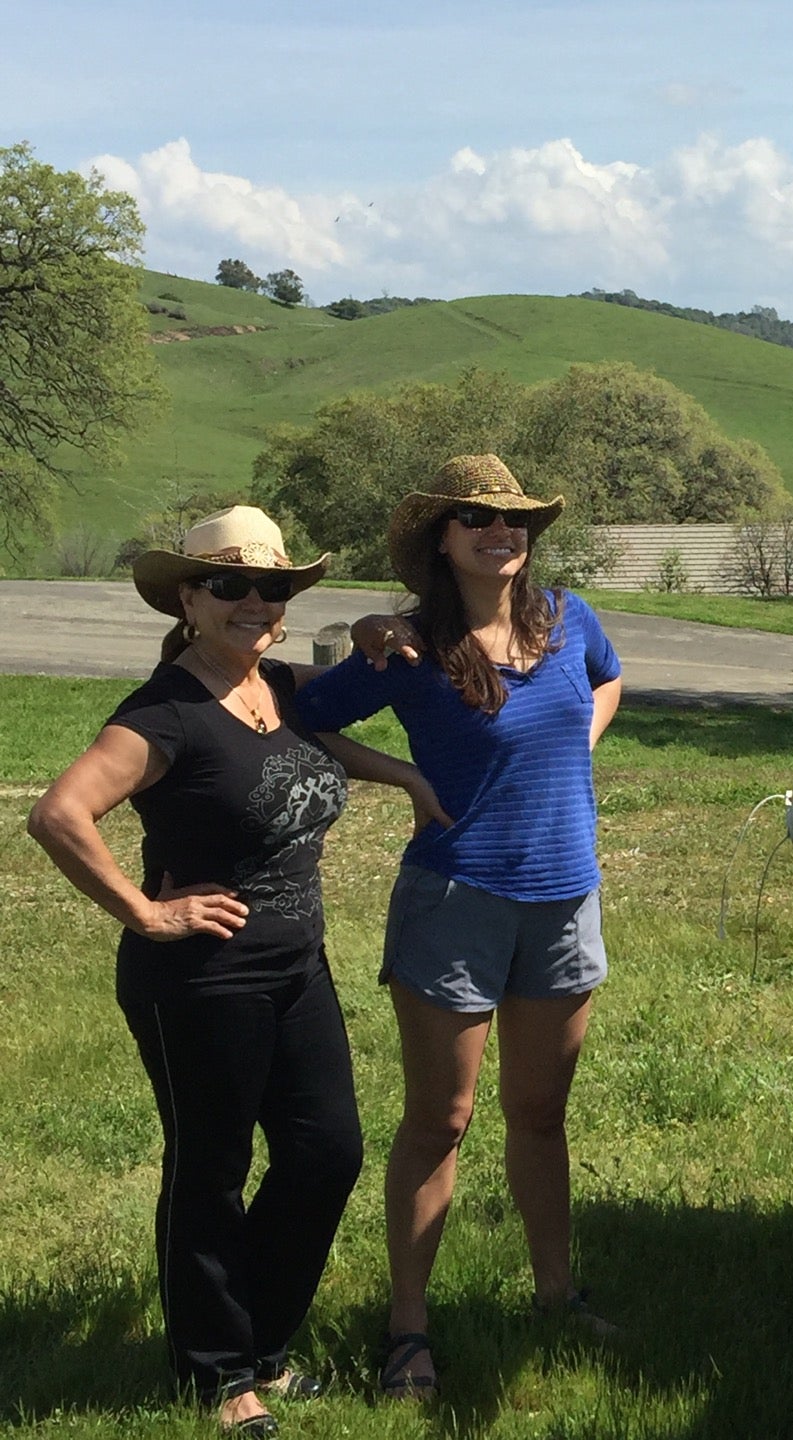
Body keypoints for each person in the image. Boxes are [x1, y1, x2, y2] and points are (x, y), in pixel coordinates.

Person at [27, 506, 444, 1438]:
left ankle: (253, 1335)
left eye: (274, 588)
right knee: (210, 1170)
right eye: (230, 586)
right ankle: (220, 1372)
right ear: (189, 597)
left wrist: (408, 777)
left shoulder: (280, 688)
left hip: (298, 965)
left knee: (326, 1153)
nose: (255, 602)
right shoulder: (163, 713)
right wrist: (145, 911)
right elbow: (59, 814)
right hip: (200, 982)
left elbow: (322, 744)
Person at [293, 454, 623, 1399]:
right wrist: (400, 777)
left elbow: (608, 681)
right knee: (441, 1121)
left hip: (564, 903)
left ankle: (556, 1296)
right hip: (455, 903)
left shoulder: (569, 620)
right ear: (442, 540)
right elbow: (300, 717)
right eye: (477, 518)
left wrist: (580, 744)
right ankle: (407, 1333)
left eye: (515, 519)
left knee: (541, 1113)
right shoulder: (407, 649)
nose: (501, 531)